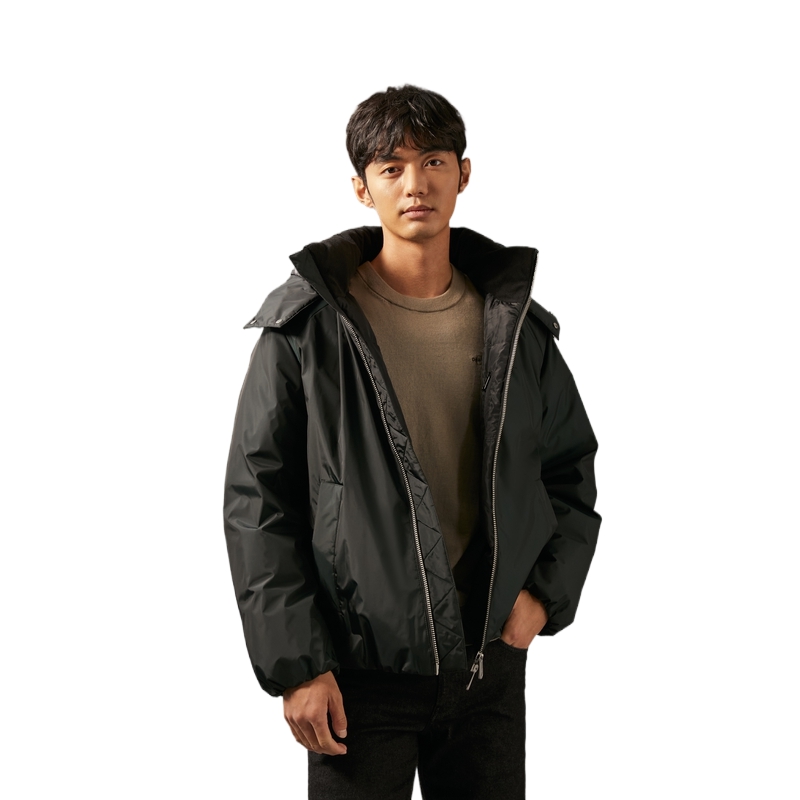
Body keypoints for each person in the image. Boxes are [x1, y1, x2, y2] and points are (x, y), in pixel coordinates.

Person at [223, 84, 602, 800]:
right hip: (356, 678)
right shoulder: (306, 331)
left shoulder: (516, 327)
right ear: (361, 188)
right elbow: (259, 503)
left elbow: (568, 471)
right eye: (390, 168)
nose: (415, 184)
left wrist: (543, 598)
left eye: (433, 162)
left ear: (464, 173)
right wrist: (298, 664)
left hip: (489, 668)